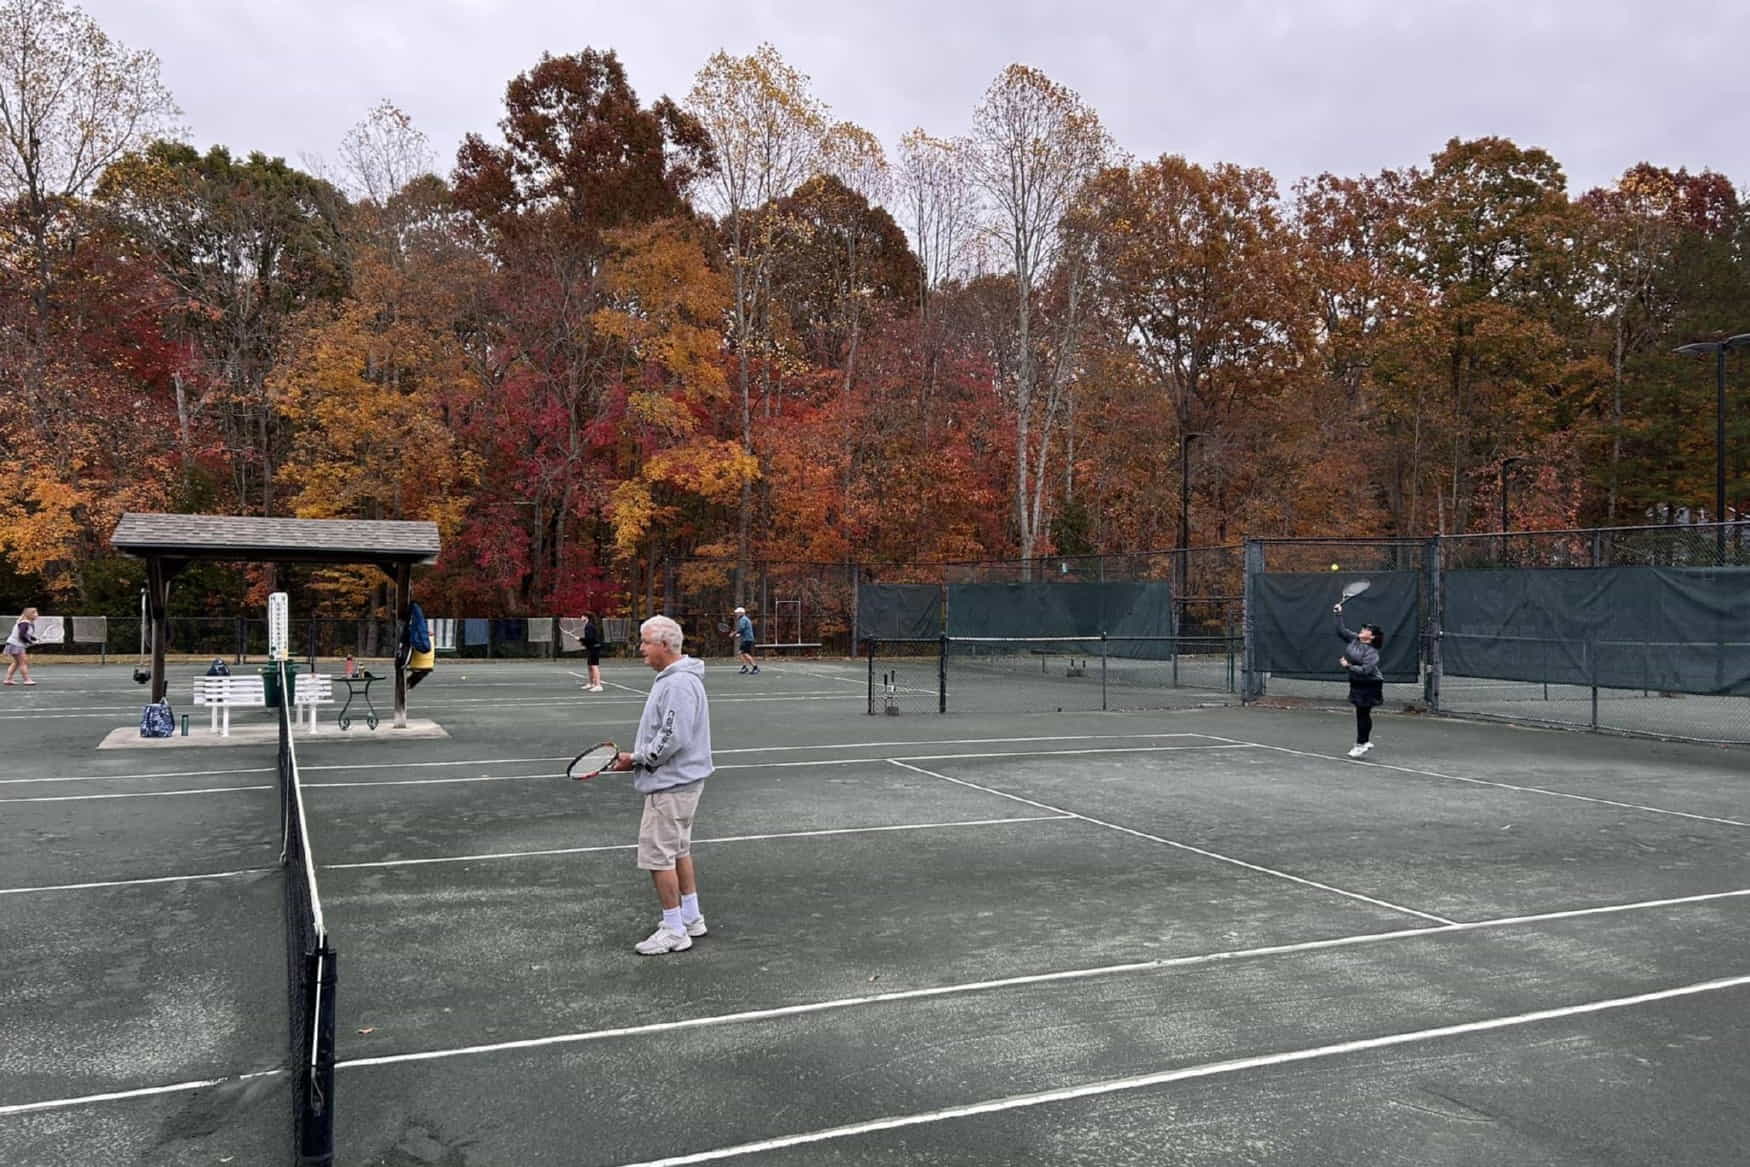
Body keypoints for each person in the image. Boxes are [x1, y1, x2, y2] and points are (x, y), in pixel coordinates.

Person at [608, 614, 713, 955]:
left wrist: (637, 759)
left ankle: (673, 930)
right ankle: (690, 917)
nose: (641, 649)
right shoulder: (674, 679)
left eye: (645, 643)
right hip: (681, 780)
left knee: (658, 856)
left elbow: (672, 737)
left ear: (664, 646)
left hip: (672, 784)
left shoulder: (678, 683)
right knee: (679, 849)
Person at [1334, 601, 1384, 758]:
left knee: (1362, 713)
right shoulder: (1355, 639)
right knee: (1362, 713)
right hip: (1356, 681)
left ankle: (1360, 744)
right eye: (1364, 628)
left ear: (1372, 636)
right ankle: (1365, 741)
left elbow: (1366, 670)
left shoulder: (1372, 652)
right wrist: (1338, 614)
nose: (1363, 629)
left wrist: (1348, 666)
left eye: (1367, 629)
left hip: (1370, 683)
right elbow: (1341, 631)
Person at [402, 600, 434, 690]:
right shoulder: (416, 612)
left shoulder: (417, 612)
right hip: (410, 646)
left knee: (425, 669)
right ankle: (409, 683)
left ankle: (409, 683)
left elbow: (418, 626)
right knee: (424, 669)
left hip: (412, 643)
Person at [3, 607, 37, 685]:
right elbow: (21, 635)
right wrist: (29, 642)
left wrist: (32, 638)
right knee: (23, 662)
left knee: (17, 662)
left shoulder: (25, 623)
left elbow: (24, 634)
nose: (37, 615)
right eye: (35, 613)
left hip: (13, 644)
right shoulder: (25, 623)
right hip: (16, 645)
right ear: (29, 615)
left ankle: (8, 679)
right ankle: (27, 680)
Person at [732, 605, 758, 675]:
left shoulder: (743, 619)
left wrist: (734, 633)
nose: (736, 614)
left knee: (745, 653)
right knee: (741, 653)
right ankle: (745, 667)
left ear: (741, 613)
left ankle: (755, 668)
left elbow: (742, 629)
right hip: (747, 639)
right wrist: (739, 634)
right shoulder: (745, 619)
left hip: (747, 639)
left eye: (737, 613)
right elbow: (745, 630)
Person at [580, 613, 603, 692]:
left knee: (594, 666)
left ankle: (598, 685)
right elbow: (589, 639)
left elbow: (590, 639)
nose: (581, 617)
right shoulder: (587, 626)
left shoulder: (589, 626)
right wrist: (582, 641)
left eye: (582, 616)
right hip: (591, 648)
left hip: (595, 648)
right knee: (590, 666)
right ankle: (591, 683)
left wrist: (580, 639)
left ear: (586, 617)